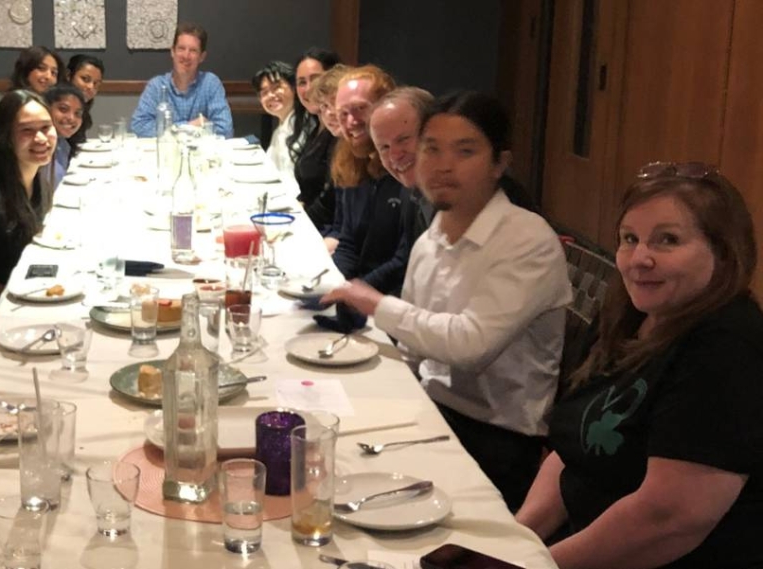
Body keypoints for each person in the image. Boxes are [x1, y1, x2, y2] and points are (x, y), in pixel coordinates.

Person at [323, 91, 572, 511]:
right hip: (433, 412)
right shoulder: (432, 238)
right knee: (320, 454)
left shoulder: (527, 240)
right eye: (431, 149)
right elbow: (417, 353)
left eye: (465, 150)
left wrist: (373, 303)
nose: (442, 165)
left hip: (498, 439)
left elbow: (469, 346)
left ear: (499, 164)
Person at [516, 163, 763, 568]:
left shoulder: (729, 346)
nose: (638, 259)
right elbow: (573, 451)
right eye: (630, 239)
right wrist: (516, 542)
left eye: (667, 240)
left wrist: (535, 567)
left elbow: (667, 520)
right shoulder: (626, 314)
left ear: (723, 251)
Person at [329, 65, 409, 298]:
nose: (351, 121)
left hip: (392, 303)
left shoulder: (405, 171)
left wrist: (354, 295)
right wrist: (332, 287)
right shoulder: (350, 163)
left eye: (360, 109)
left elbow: (404, 261)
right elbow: (348, 244)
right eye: (342, 113)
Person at [0, 90, 57, 307]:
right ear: (7, 137)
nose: (40, 138)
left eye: (46, 128)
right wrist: (14, 294)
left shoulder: (40, 182)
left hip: (29, 293)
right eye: (27, 130)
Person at [129, 22, 233, 138]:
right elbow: (138, 126)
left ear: (202, 57)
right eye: (181, 48)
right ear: (172, 52)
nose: (186, 55)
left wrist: (168, 130)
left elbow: (225, 129)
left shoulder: (210, 84)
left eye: (193, 50)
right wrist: (186, 127)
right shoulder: (156, 86)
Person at [370, 87, 437, 250]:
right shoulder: (410, 196)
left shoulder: (465, 201)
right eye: (384, 147)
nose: (394, 156)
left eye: (403, 139)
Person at [304, 64, 349, 252]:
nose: (329, 113)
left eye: (336, 104)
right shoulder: (338, 144)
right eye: (324, 106)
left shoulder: (359, 152)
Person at [251, 60, 297, 179]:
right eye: (264, 92)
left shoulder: (302, 126)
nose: (271, 95)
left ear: (294, 88)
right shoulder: (282, 126)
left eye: (276, 87)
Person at [43, 83, 86, 190]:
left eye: (77, 114)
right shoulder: (38, 147)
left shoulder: (63, 144)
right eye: (63, 109)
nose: (71, 118)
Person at [67, 54, 105, 145]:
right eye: (85, 79)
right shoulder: (55, 104)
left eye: (96, 83)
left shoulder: (84, 106)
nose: (91, 87)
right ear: (68, 76)